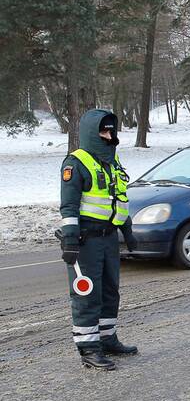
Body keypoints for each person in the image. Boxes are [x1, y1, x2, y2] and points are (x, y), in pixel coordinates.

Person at [59, 109, 139, 371]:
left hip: (108, 239)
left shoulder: (112, 162)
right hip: (86, 241)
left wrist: (127, 231)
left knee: (109, 291)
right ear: (92, 133)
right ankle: (89, 349)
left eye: (111, 131)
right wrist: (70, 241)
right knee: (87, 295)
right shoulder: (76, 163)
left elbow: (118, 199)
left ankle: (107, 339)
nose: (109, 135)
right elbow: (69, 206)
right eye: (104, 131)